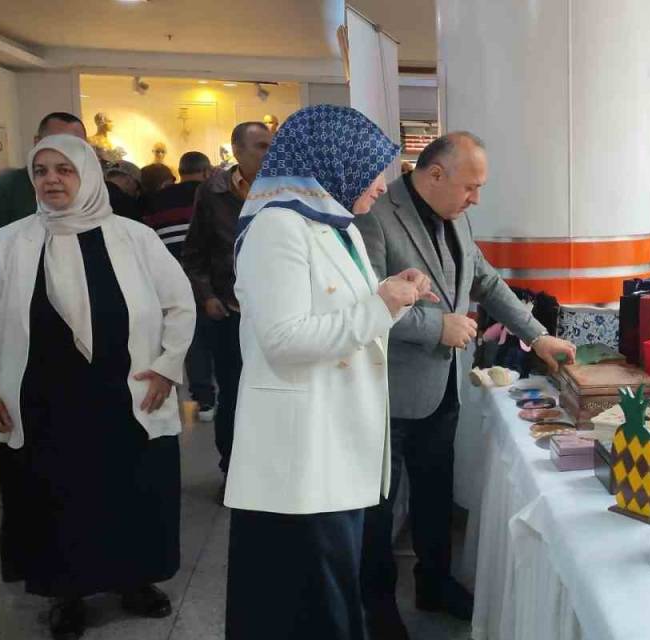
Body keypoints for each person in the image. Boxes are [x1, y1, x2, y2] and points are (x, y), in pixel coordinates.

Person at [0, 134, 195, 640]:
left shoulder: (135, 238)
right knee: (56, 497)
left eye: (64, 170)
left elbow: (180, 304)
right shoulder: (13, 241)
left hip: (127, 392)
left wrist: (166, 366)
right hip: (44, 398)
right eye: (42, 171)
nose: (51, 180)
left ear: (87, 175)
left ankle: (136, 582)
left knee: (133, 492)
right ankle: (66, 593)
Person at [224, 105, 436, 640]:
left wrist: (397, 295)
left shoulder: (333, 227)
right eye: (373, 172)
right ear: (332, 163)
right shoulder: (278, 228)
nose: (383, 188)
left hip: (337, 445)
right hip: (301, 455)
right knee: (307, 606)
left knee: (332, 596)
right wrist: (382, 305)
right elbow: (284, 340)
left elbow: (347, 315)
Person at [358, 131, 577, 638]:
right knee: (381, 508)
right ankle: (378, 603)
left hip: (443, 389)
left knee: (436, 494)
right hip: (390, 391)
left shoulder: (455, 216)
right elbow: (364, 309)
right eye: (471, 186)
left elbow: (487, 282)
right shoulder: (374, 217)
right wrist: (439, 327)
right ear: (435, 174)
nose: (476, 197)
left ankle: (434, 582)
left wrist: (538, 336)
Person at [181, 122, 271, 474]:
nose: (269, 153)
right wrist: (206, 295)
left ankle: (266, 470)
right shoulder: (213, 192)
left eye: (271, 145)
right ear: (237, 151)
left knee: (270, 395)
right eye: (261, 146)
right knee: (233, 395)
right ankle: (232, 469)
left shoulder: (282, 190)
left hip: (272, 314)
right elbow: (194, 252)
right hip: (229, 312)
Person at [146, 151, 216, 419]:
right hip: (210, 278)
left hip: (171, 277)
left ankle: (204, 399)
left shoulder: (156, 201)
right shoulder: (213, 195)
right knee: (224, 340)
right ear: (206, 170)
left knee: (192, 339)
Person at [0, 112, 87, 271]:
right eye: (57, 143)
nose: (66, 152)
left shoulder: (90, 189)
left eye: (76, 145)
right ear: (37, 142)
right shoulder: (5, 189)